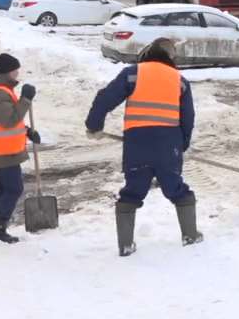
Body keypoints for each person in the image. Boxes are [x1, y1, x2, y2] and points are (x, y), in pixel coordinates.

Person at [85, 39, 200, 256]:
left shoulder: (133, 74)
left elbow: (105, 99)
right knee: (175, 188)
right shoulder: (180, 81)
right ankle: (190, 235)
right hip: (168, 144)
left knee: (133, 191)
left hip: (137, 144)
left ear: (147, 54)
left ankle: (126, 245)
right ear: (171, 59)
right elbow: (188, 118)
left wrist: (94, 125)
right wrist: (181, 145)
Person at [0, 53, 40, 244]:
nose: (17, 73)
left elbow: (7, 120)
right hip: (2, 151)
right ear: (7, 72)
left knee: (3, 188)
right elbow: (9, 120)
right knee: (13, 189)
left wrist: (26, 131)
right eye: (15, 70)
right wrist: (26, 99)